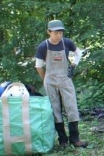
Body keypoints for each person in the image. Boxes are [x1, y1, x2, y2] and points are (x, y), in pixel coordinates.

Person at [35, 20, 88, 148]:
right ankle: (62, 140)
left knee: (71, 106)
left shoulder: (67, 43)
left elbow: (79, 53)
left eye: (60, 32)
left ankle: (75, 139)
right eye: (55, 32)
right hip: (50, 78)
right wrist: (45, 79)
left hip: (65, 77)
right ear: (49, 32)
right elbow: (39, 66)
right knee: (55, 109)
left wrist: (74, 64)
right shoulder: (43, 46)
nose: (58, 35)